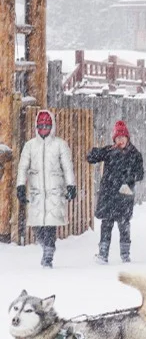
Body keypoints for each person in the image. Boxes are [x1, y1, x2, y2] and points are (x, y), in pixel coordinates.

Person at [16, 109, 76, 268]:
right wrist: (20, 185)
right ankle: (45, 246)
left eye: (47, 126)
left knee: (50, 224)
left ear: (52, 127)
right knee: (37, 226)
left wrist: (71, 185)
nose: (44, 129)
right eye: (41, 125)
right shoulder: (29, 146)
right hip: (36, 192)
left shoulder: (60, 145)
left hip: (54, 191)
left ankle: (48, 256)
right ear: (36, 127)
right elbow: (22, 167)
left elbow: (67, 167)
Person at [87, 120, 144, 264]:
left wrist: (128, 178)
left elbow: (140, 174)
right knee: (106, 224)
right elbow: (91, 158)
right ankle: (103, 254)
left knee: (124, 225)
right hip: (108, 194)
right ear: (114, 139)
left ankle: (125, 255)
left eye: (123, 138)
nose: (120, 141)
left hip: (124, 195)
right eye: (118, 138)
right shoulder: (109, 151)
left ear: (127, 138)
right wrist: (97, 151)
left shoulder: (135, 154)